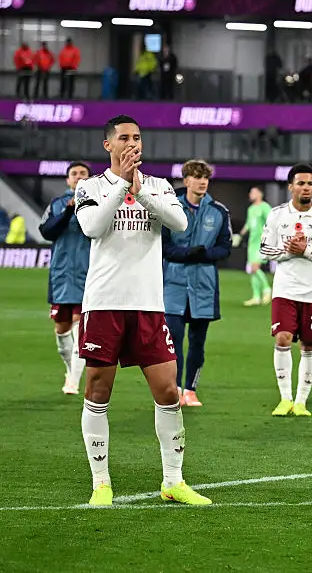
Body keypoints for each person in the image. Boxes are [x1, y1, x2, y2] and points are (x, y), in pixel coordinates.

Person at [74, 115, 210, 507]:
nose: (132, 143)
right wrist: (120, 184)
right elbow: (93, 228)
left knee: (169, 390)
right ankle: (101, 483)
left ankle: (173, 481)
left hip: (149, 304)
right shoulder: (91, 186)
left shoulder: (159, 186)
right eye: (124, 138)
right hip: (104, 304)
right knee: (98, 389)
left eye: (137, 137)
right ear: (108, 145)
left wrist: (140, 190)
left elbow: (180, 222)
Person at [260, 164, 312, 417]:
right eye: (300, 183)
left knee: (309, 345)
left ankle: (301, 401)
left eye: (309, 184)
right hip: (285, 290)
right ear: (290, 187)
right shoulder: (277, 215)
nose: (306, 188)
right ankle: (285, 398)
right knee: (283, 338)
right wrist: (289, 250)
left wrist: (306, 251)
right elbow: (264, 250)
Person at [162, 160, 232, 407]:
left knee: (198, 343)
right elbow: (163, 246)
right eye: (197, 176)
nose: (202, 181)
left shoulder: (218, 211)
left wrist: (203, 254)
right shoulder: (170, 207)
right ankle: (174, 390)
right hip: (173, 283)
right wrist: (186, 254)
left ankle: (190, 390)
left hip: (204, 285)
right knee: (174, 338)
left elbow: (225, 247)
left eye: (205, 177)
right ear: (186, 180)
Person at [38, 161, 92, 395]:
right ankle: (71, 370)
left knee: (81, 330)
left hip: (88, 274)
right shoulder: (57, 203)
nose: (79, 177)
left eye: (83, 174)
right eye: (74, 174)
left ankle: (73, 381)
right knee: (62, 329)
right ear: (68, 180)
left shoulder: (99, 203)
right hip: (61, 274)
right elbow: (47, 231)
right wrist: (69, 210)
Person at [240, 187, 273, 306]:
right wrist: (239, 235)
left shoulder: (265, 207)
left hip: (262, 242)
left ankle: (267, 289)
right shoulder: (251, 209)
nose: (250, 194)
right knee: (252, 270)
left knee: (254, 267)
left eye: (253, 192)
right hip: (252, 243)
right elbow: (248, 224)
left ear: (260, 194)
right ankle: (256, 297)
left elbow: (271, 222)